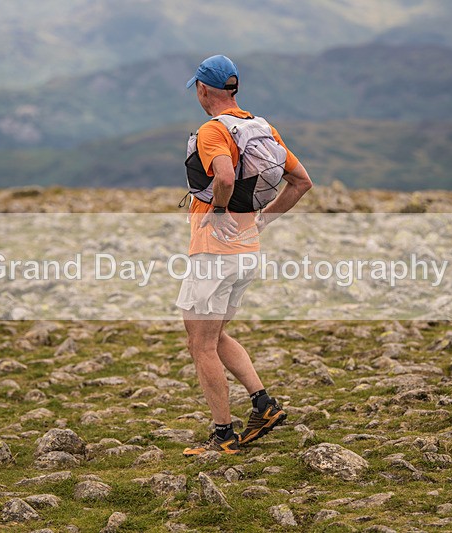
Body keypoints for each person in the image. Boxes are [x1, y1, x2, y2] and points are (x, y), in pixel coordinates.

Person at [177, 55, 313, 455]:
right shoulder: (261, 128)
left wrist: (218, 213)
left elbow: (223, 176)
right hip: (246, 250)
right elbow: (302, 181)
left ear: (203, 89)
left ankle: (223, 434)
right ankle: (263, 404)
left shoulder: (212, 131)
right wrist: (260, 222)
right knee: (215, 335)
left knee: (199, 343)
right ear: (233, 89)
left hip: (214, 251)